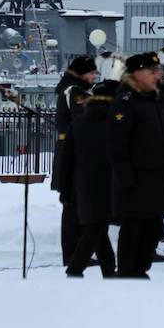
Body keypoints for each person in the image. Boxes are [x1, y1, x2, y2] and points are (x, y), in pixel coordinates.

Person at [109, 52, 164, 279]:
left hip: (156, 180)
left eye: (158, 71)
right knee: (133, 231)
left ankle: (140, 271)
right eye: (152, 72)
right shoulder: (125, 102)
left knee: (151, 231)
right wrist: (127, 181)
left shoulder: (156, 100)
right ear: (136, 74)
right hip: (135, 182)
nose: (158, 75)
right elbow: (117, 146)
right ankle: (127, 274)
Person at [66, 79, 120, 278]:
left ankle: (108, 270)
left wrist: (65, 188)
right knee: (96, 229)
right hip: (108, 183)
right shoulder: (116, 122)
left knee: (97, 227)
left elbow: (67, 158)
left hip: (84, 184)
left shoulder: (79, 122)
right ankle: (75, 268)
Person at [51, 55, 96, 265]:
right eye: (91, 72)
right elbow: (83, 120)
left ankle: (78, 252)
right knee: (73, 207)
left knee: (80, 205)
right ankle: (73, 254)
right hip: (74, 155)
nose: (94, 76)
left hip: (76, 153)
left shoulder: (80, 91)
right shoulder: (74, 92)